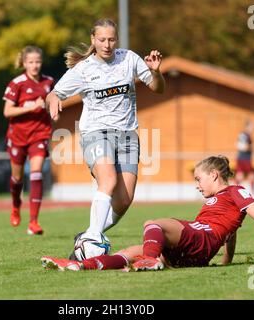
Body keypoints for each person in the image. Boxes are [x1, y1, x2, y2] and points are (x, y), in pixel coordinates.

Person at [46, 18, 165, 254]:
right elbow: (54, 93)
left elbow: (158, 88)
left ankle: (89, 234)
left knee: (124, 199)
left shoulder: (129, 58)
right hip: (95, 132)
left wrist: (155, 72)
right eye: (102, 40)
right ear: (93, 39)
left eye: (111, 39)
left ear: (117, 40)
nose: (107, 44)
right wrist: (54, 103)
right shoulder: (83, 69)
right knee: (108, 181)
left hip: (128, 136)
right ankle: (92, 238)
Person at [41, 155, 254, 271]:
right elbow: (231, 231)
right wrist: (226, 261)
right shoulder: (220, 201)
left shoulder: (235, 191)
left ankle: (152, 260)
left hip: (201, 239)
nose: (197, 185)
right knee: (128, 253)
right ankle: (80, 265)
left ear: (214, 175)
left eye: (199, 179)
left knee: (153, 224)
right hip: (194, 251)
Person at [2, 45, 54, 235]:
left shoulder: (49, 82)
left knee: (36, 173)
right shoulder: (17, 83)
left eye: (38, 62)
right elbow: (7, 111)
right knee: (17, 179)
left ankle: (34, 222)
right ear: (24, 63)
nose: (35, 65)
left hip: (39, 134)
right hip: (17, 137)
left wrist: (53, 109)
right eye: (31, 62)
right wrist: (30, 107)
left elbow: (54, 102)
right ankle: (16, 205)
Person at [235, 120, 254, 194]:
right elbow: (241, 146)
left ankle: (235, 192)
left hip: (244, 158)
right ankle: (253, 194)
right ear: (247, 126)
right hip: (244, 158)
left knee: (240, 175)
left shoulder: (246, 135)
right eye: (252, 126)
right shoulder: (244, 135)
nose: (253, 128)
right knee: (251, 175)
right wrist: (251, 147)